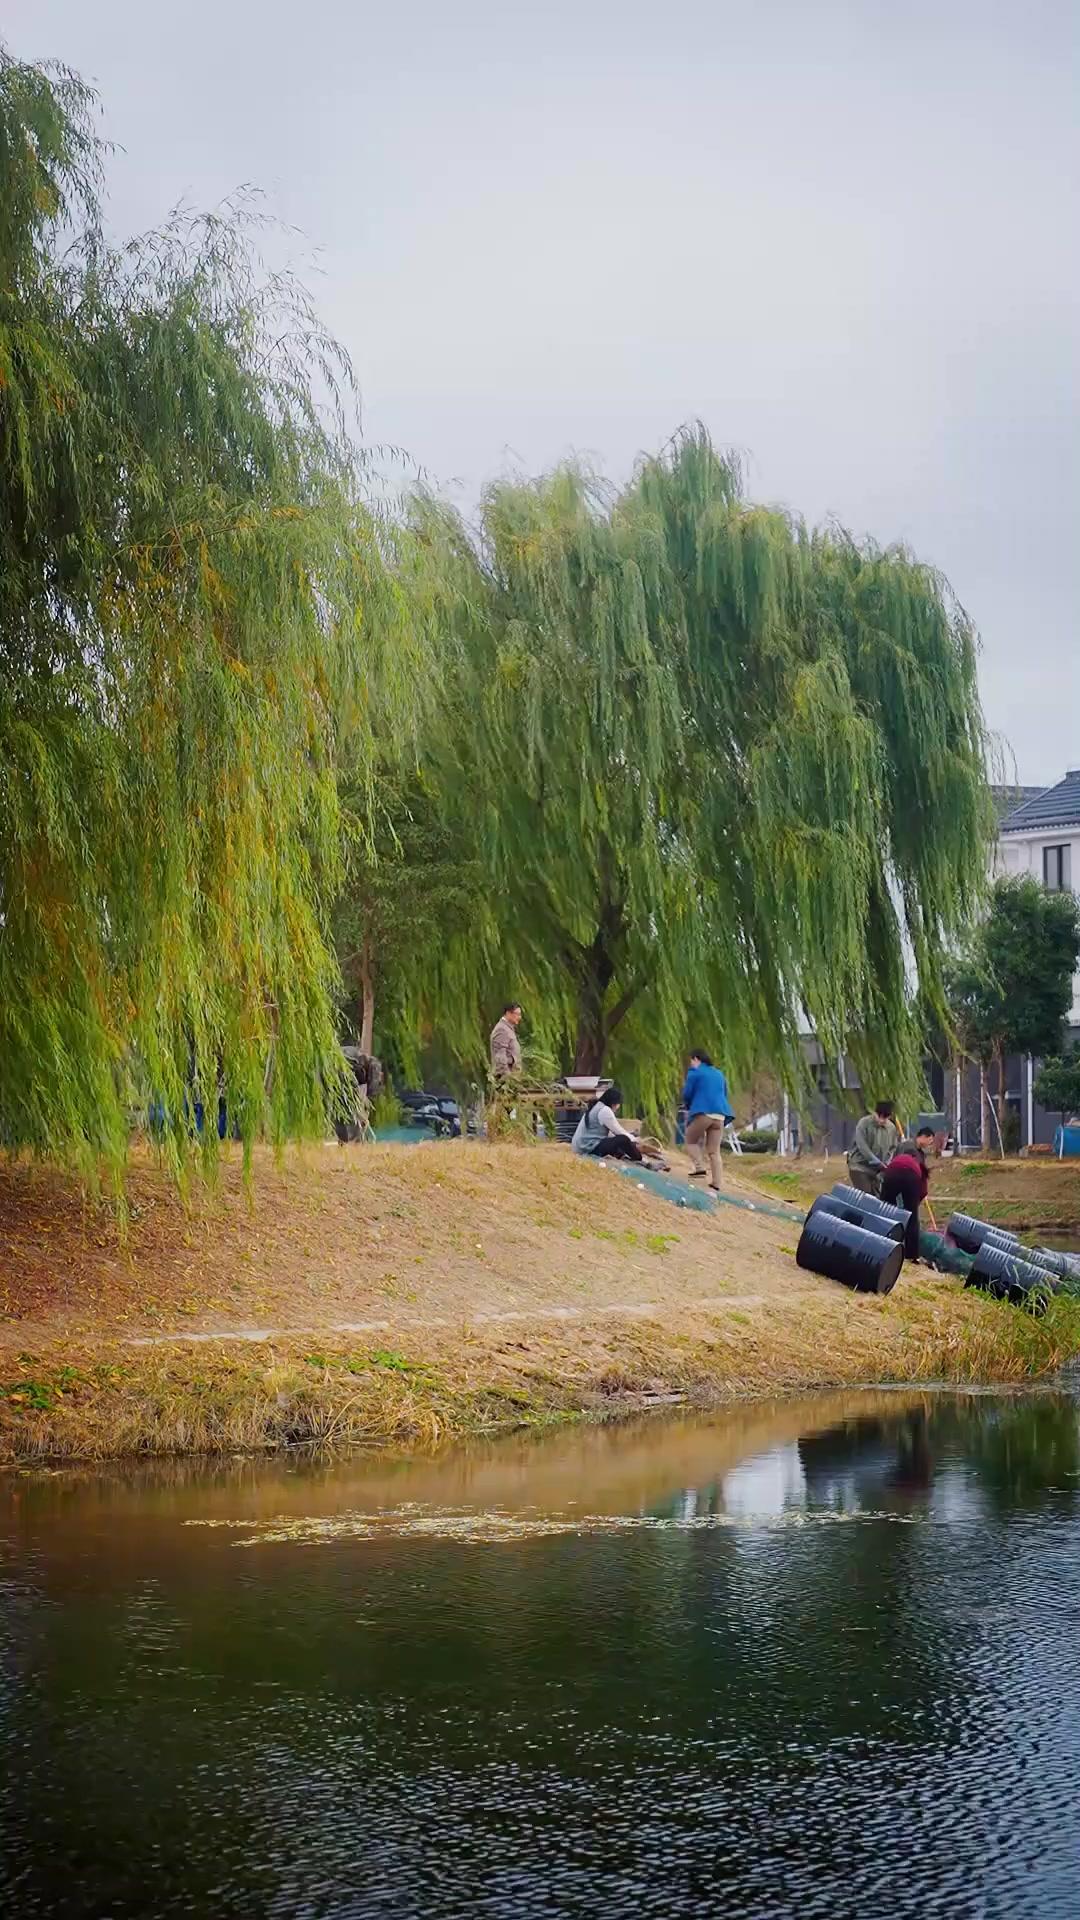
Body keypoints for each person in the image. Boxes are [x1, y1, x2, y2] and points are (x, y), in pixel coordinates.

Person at [681, 1049, 734, 1193]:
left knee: (690, 1140)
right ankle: (717, 1183)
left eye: (691, 1061)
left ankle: (699, 1168)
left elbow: (687, 1094)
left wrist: (688, 1106)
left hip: (704, 1112)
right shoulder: (719, 1073)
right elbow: (724, 1093)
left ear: (696, 1059)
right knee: (714, 1151)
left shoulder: (695, 1073)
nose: (691, 1064)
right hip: (720, 1115)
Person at [881, 1127, 936, 1263]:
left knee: (886, 1208)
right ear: (923, 1136)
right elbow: (922, 1186)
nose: (930, 1144)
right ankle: (911, 1254)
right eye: (929, 1141)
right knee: (911, 1216)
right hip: (906, 1175)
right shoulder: (907, 1146)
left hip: (892, 1173)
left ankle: (884, 1245)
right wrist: (915, 1202)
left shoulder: (921, 1154)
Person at [571, 1085, 644, 1162]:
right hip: (588, 1148)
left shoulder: (596, 1106)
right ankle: (638, 1158)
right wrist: (635, 1139)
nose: (618, 1106)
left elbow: (609, 1134)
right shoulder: (605, 1110)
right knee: (623, 1139)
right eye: (619, 1103)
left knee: (619, 1143)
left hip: (580, 1146)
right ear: (613, 1103)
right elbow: (618, 1131)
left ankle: (623, 1155)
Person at [846, 1100, 901, 1194]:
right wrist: (876, 1161)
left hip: (877, 1171)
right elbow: (862, 1146)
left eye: (885, 1118)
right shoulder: (864, 1123)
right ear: (874, 1113)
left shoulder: (891, 1128)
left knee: (878, 1197)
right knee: (866, 1196)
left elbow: (893, 1148)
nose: (881, 1120)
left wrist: (887, 1162)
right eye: (879, 1116)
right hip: (860, 1167)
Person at [489, 1002, 523, 1080]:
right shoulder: (502, 1030)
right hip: (505, 1079)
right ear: (508, 1013)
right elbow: (500, 1056)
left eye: (520, 1015)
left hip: (512, 1077)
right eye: (517, 1014)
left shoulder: (508, 1028)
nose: (519, 1017)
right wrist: (507, 1078)